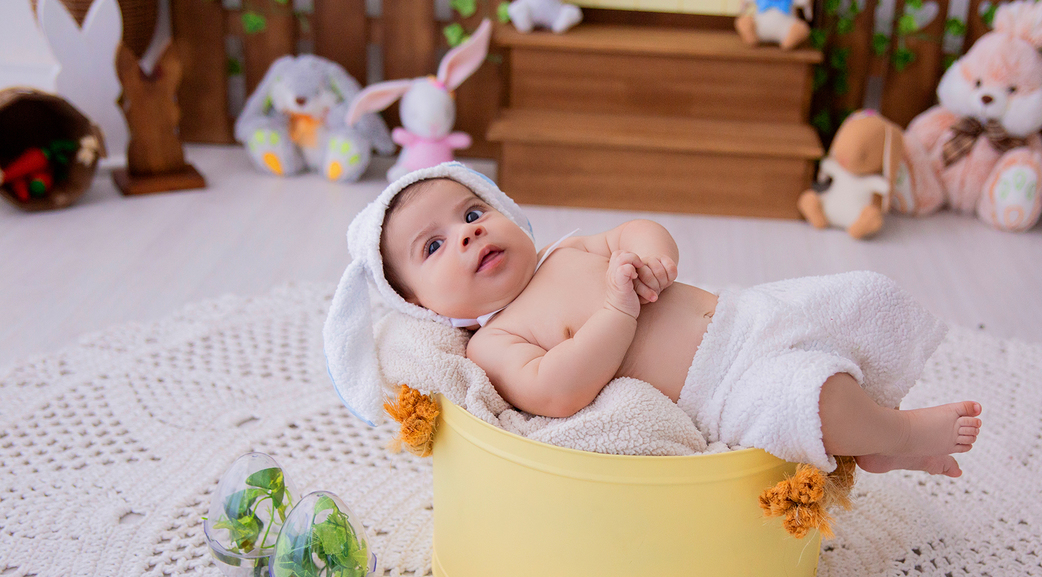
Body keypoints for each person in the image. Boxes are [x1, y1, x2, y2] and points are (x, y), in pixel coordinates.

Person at [331, 163, 981, 476]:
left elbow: (638, 228)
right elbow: (560, 389)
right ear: (419, 304)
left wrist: (651, 254)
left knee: (859, 297)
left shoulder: (570, 250)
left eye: (472, 214)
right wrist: (616, 310)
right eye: (434, 246)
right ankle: (891, 435)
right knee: (809, 396)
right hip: (719, 387)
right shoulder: (495, 344)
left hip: (746, 316)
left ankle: (870, 441)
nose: (467, 237)